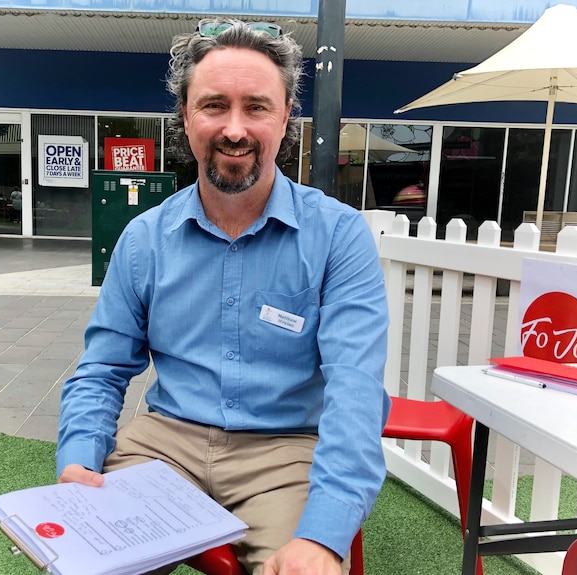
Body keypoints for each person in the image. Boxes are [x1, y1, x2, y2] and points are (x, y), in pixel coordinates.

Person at [56, 19, 390, 575]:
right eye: (214, 105)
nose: (235, 128)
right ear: (185, 118)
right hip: (165, 444)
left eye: (256, 107)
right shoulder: (144, 239)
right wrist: (77, 460)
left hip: (287, 452)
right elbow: (102, 368)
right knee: (82, 559)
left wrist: (325, 535)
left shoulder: (337, 235)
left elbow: (355, 390)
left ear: (286, 119)